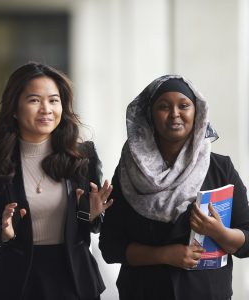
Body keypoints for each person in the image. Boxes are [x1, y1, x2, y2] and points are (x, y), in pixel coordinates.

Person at [0, 62, 113, 300]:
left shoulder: (83, 157)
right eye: (34, 100)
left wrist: (90, 215)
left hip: (74, 282)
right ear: (14, 108)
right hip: (15, 283)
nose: (46, 109)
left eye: (53, 100)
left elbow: (95, 225)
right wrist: (2, 232)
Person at [99, 75, 249, 300]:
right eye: (163, 106)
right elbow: (110, 246)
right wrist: (164, 255)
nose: (175, 114)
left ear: (197, 112)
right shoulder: (129, 171)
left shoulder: (220, 168)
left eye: (184, 105)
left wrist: (219, 233)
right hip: (143, 292)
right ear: (149, 115)